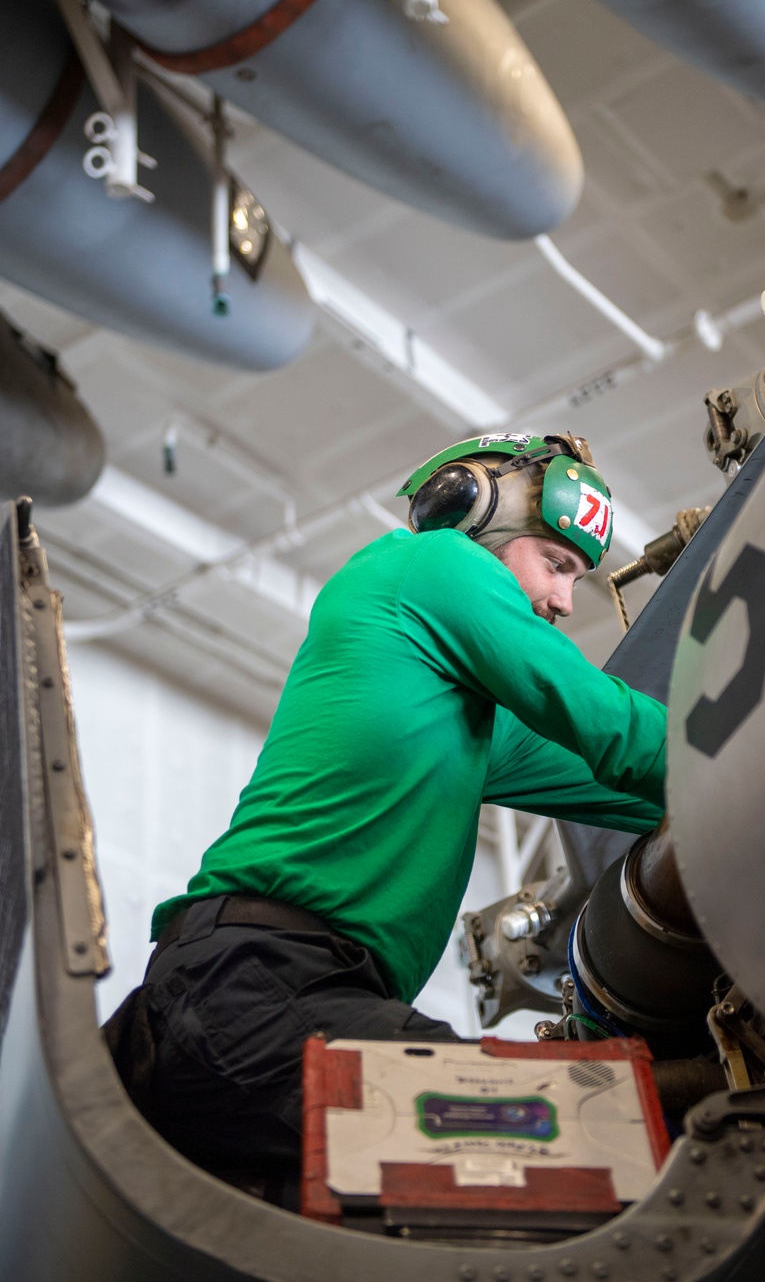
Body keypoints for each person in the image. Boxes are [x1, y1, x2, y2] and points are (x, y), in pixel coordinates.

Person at [105, 431, 667, 1200]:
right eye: (556, 563)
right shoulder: (431, 563)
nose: (565, 602)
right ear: (478, 518)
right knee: (562, 1151)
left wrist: (729, 789)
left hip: (254, 997)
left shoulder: (460, 716)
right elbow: (615, 729)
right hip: (262, 986)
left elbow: (628, 780)